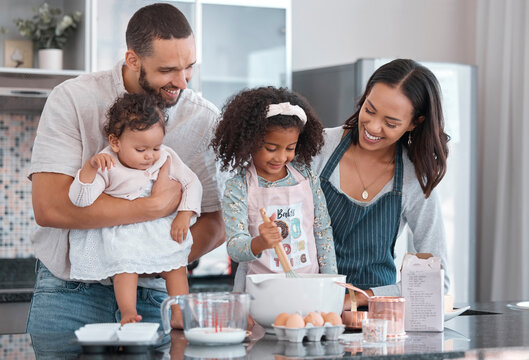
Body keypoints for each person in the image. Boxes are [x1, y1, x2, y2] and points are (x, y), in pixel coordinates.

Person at [27, 3, 225, 333]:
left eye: (189, 67)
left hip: (154, 297)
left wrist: (158, 259)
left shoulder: (203, 120)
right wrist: (152, 207)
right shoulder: (73, 99)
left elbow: (217, 221)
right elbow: (49, 207)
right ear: (132, 59)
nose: (183, 81)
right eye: (167, 70)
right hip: (70, 293)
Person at [311, 59, 451, 307]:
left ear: (415, 122)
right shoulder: (318, 148)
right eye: (370, 110)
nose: (373, 127)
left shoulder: (414, 177)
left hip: (378, 318)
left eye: (391, 123)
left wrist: (362, 297)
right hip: (309, 307)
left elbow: (435, 280)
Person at [68, 93, 201, 327]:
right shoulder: (106, 162)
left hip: (159, 229)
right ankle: (128, 312)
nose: (150, 156)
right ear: (116, 142)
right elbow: (81, 200)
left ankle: (180, 313)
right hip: (124, 230)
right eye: (141, 149)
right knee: (125, 268)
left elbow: (192, 183)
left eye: (156, 147)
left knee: (177, 267)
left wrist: (184, 214)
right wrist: (90, 169)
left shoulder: (167, 157)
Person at [211, 87, 337, 291]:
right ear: (249, 142)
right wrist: (260, 242)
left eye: (290, 148)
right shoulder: (239, 187)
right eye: (271, 148)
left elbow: (321, 230)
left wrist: (332, 283)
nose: (280, 157)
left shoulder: (306, 177)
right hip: (261, 291)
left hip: (309, 286)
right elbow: (235, 247)